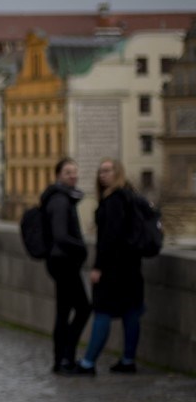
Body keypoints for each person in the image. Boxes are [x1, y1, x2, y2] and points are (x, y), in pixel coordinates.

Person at [75, 159, 145, 375]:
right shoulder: (130, 196)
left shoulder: (114, 200)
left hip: (113, 269)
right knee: (131, 312)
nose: (102, 175)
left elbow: (109, 239)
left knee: (102, 312)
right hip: (131, 266)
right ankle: (128, 360)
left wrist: (98, 267)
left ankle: (88, 363)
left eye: (107, 170)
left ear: (118, 173)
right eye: (101, 171)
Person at [40, 157, 90, 374]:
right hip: (64, 262)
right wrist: (81, 247)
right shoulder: (60, 200)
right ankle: (65, 357)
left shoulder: (60, 197)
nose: (73, 175)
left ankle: (61, 359)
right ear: (59, 175)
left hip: (59, 261)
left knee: (64, 310)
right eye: (68, 172)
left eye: (75, 172)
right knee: (83, 308)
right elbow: (61, 235)